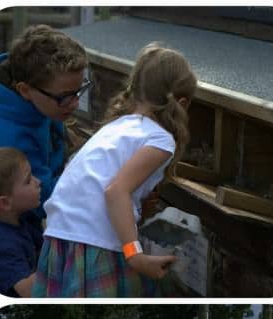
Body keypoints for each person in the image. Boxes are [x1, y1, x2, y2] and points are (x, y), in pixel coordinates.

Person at [32, 44, 193, 297]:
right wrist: (135, 255)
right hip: (95, 243)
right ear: (182, 103)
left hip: (59, 236)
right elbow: (115, 191)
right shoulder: (161, 139)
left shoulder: (116, 126)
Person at [0, 24, 88, 230]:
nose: (75, 104)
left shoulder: (21, 77)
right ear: (25, 90)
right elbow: (43, 200)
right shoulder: (10, 137)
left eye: (79, 90)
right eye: (65, 97)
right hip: (9, 230)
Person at [0, 147, 42, 297]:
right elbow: (29, 291)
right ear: (5, 203)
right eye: (28, 180)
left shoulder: (25, 217)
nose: (38, 182)